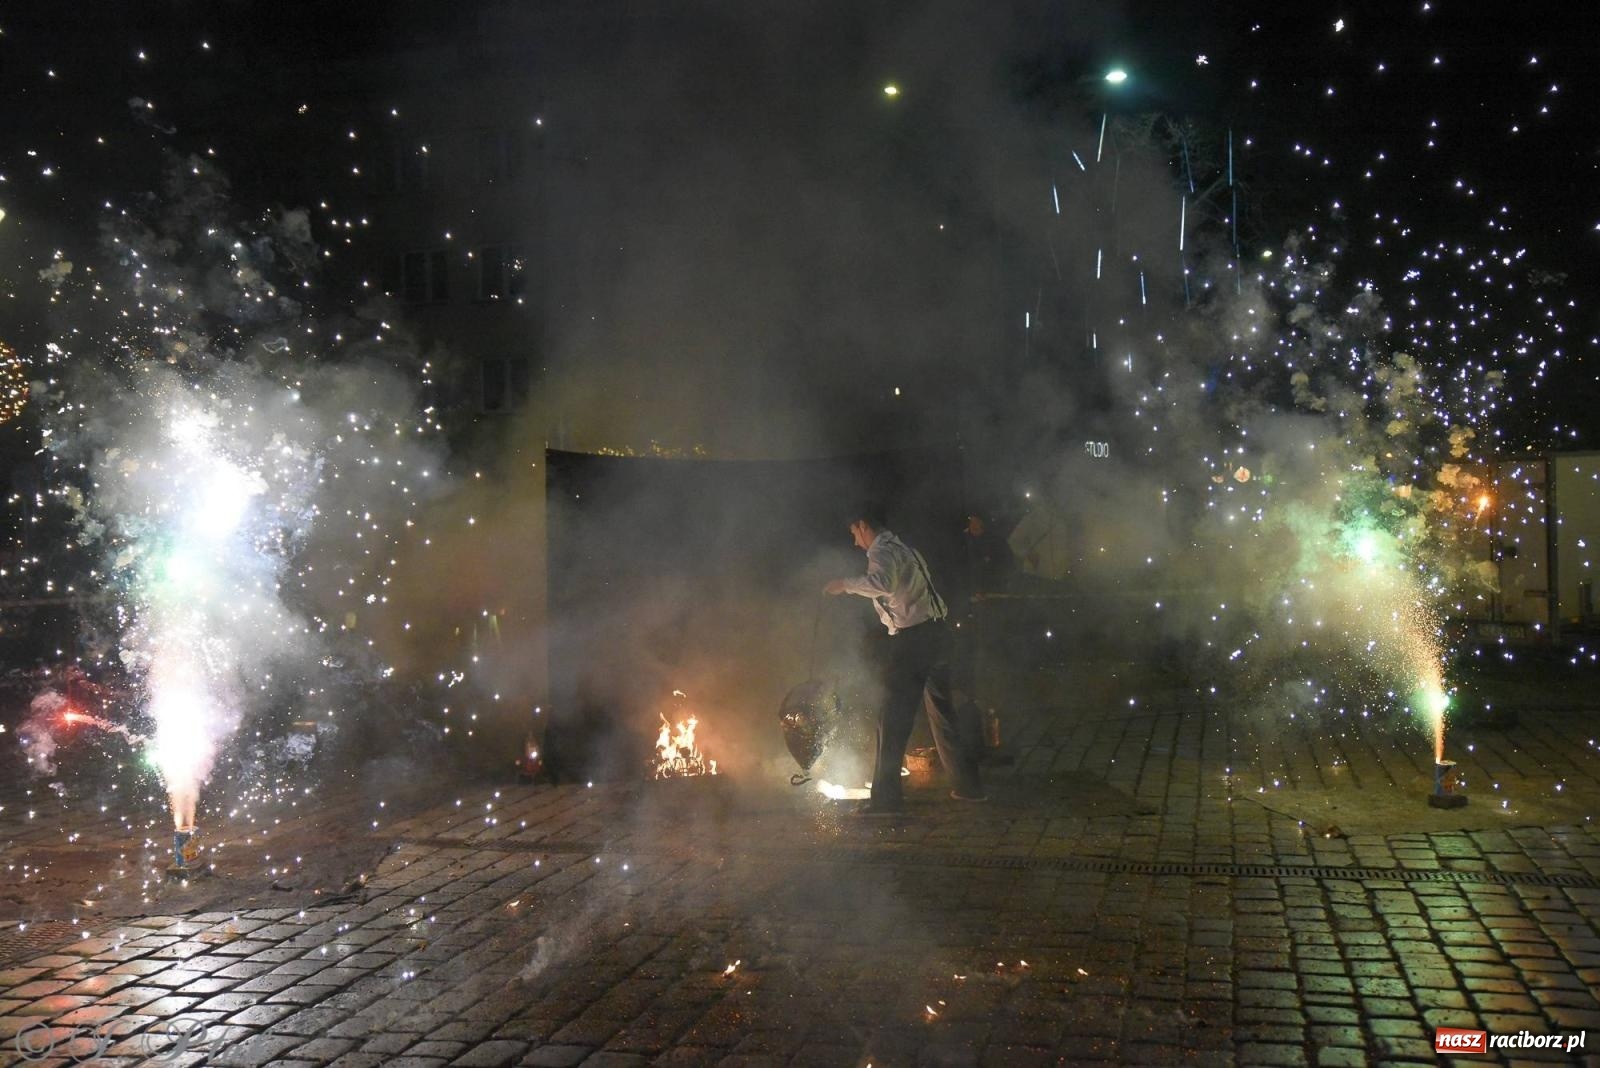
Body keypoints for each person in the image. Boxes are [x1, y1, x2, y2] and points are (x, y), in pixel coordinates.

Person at [825, 506, 985, 813]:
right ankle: (969, 788)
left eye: (854, 534)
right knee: (943, 715)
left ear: (862, 526)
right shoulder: (905, 549)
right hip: (938, 636)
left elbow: (882, 583)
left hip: (915, 643)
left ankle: (886, 802)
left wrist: (844, 584)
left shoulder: (881, 553)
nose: (855, 542)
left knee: (893, 720)